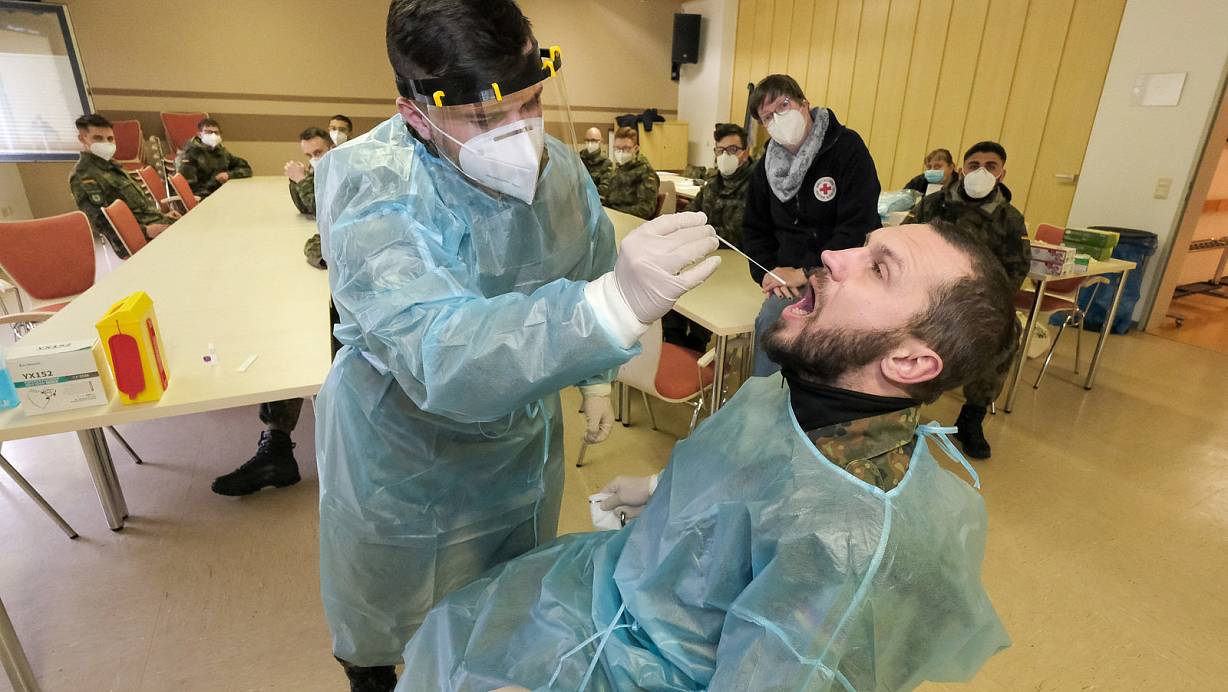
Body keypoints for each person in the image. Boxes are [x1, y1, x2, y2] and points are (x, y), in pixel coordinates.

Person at [397, 221, 1016, 691]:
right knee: (452, 630)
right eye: (863, 243)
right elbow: (768, 479)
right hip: (607, 595)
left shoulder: (846, 542)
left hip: (631, 664)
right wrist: (669, 491)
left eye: (879, 269)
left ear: (909, 362)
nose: (831, 256)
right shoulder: (803, 394)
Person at [313, 2, 721, 690]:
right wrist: (609, 307)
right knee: (384, 621)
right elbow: (439, 351)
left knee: (504, 603)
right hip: (401, 457)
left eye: (529, 103)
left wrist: (594, 381)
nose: (518, 133)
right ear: (416, 113)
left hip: (517, 446)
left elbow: (588, 265)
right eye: (484, 119)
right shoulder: (370, 186)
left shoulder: (560, 174)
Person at [742, 74, 881, 377]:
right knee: (774, 322)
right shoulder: (765, 166)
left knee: (782, 323)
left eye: (783, 105)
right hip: (787, 278)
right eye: (767, 117)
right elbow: (754, 229)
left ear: (805, 104)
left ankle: (808, 409)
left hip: (842, 272)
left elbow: (857, 228)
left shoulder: (846, 148)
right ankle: (765, 407)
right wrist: (768, 273)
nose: (778, 117)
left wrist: (806, 271)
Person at [906, 140, 1029, 460]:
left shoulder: (1010, 219)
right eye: (974, 165)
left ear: (1002, 174)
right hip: (927, 296)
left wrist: (982, 303)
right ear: (962, 168)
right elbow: (905, 244)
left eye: (990, 166)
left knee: (1005, 336)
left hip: (978, 303)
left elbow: (1016, 270)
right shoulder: (933, 206)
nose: (981, 172)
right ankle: (902, 411)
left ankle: (971, 419)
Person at [662, 123, 754, 352]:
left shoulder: (755, 187)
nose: (725, 156)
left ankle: (695, 345)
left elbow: (735, 235)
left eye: (732, 150)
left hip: (735, 266)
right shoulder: (713, 183)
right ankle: (674, 343)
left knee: (697, 286)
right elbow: (688, 215)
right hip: (704, 254)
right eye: (720, 150)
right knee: (670, 276)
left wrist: (698, 234)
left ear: (745, 152)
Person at [68, 114, 180, 259]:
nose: (106, 143)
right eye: (98, 138)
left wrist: (162, 215)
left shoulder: (113, 165)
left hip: (155, 224)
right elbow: (102, 223)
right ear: (83, 139)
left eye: (110, 139)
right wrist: (146, 230)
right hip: (139, 239)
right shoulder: (83, 176)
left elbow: (139, 204)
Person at [177, 118, 252, 199]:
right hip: (203, 199)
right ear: (199, 134)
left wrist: (228, 175)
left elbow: (245, 168)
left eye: (216, 132)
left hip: (222, 194)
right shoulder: (190, 154)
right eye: (208, 132)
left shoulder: (221, 152)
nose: (213, 135)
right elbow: (189, 188)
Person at [599, 126, 660, 219]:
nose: (621, 152)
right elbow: (609, 198)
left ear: (636, 149)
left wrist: (615, 212)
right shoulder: (619, 169)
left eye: (626, 148)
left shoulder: (646, 173)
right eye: (617, 148)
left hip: (631, 222)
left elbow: (645, 209)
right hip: (614, 218)